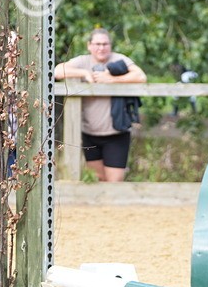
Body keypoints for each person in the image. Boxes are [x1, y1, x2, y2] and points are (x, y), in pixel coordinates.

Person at [53, 28, 146, 182]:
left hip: (116, 132)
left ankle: (116, 207)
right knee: (98, 180)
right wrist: (84, 73)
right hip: (89, 133)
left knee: (114, 181)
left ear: (110, 45)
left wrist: (111, 79)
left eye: (105, 44)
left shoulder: (119, 59)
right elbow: (57, 71)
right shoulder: (83, 61)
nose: (101, 48)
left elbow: (141, 76)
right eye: (97, 44)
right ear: (89, 45)